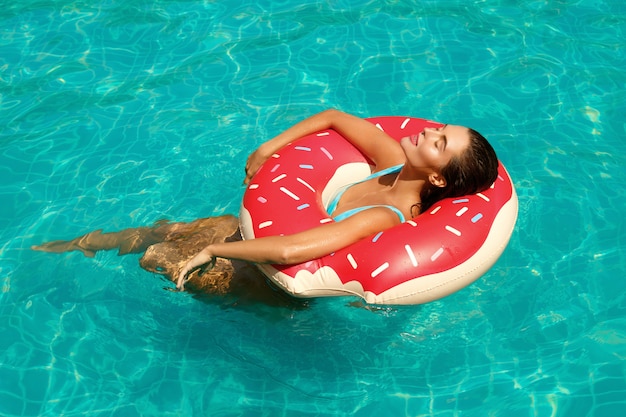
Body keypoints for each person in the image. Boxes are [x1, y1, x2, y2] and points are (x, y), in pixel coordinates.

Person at [32, 109, 498, 299]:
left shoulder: (384, 216)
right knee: (163, 228)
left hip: (259, 276)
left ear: (437, 176)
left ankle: (55, 278)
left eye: (440, 143)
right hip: (248, 234)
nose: (431, 131)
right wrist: (266, 148)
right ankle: (74, 245)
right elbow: (334, 116)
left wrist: (215, 251)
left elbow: (291, 251)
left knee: (158, 258)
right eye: (441, 130)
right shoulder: (391, 158)